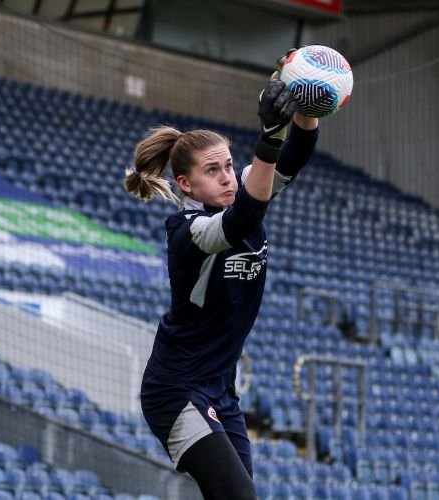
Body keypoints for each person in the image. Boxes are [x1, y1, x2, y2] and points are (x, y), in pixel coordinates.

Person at [123, 54, 319, 499]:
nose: (228, 178)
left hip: (220, 393)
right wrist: (270, 136)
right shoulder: (188, 232)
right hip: (175, 392)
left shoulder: (245, 188)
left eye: (229, 166)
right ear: (185, 184)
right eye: (213, 171)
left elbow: (296, 152)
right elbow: (245, 217)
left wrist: (307, 105)